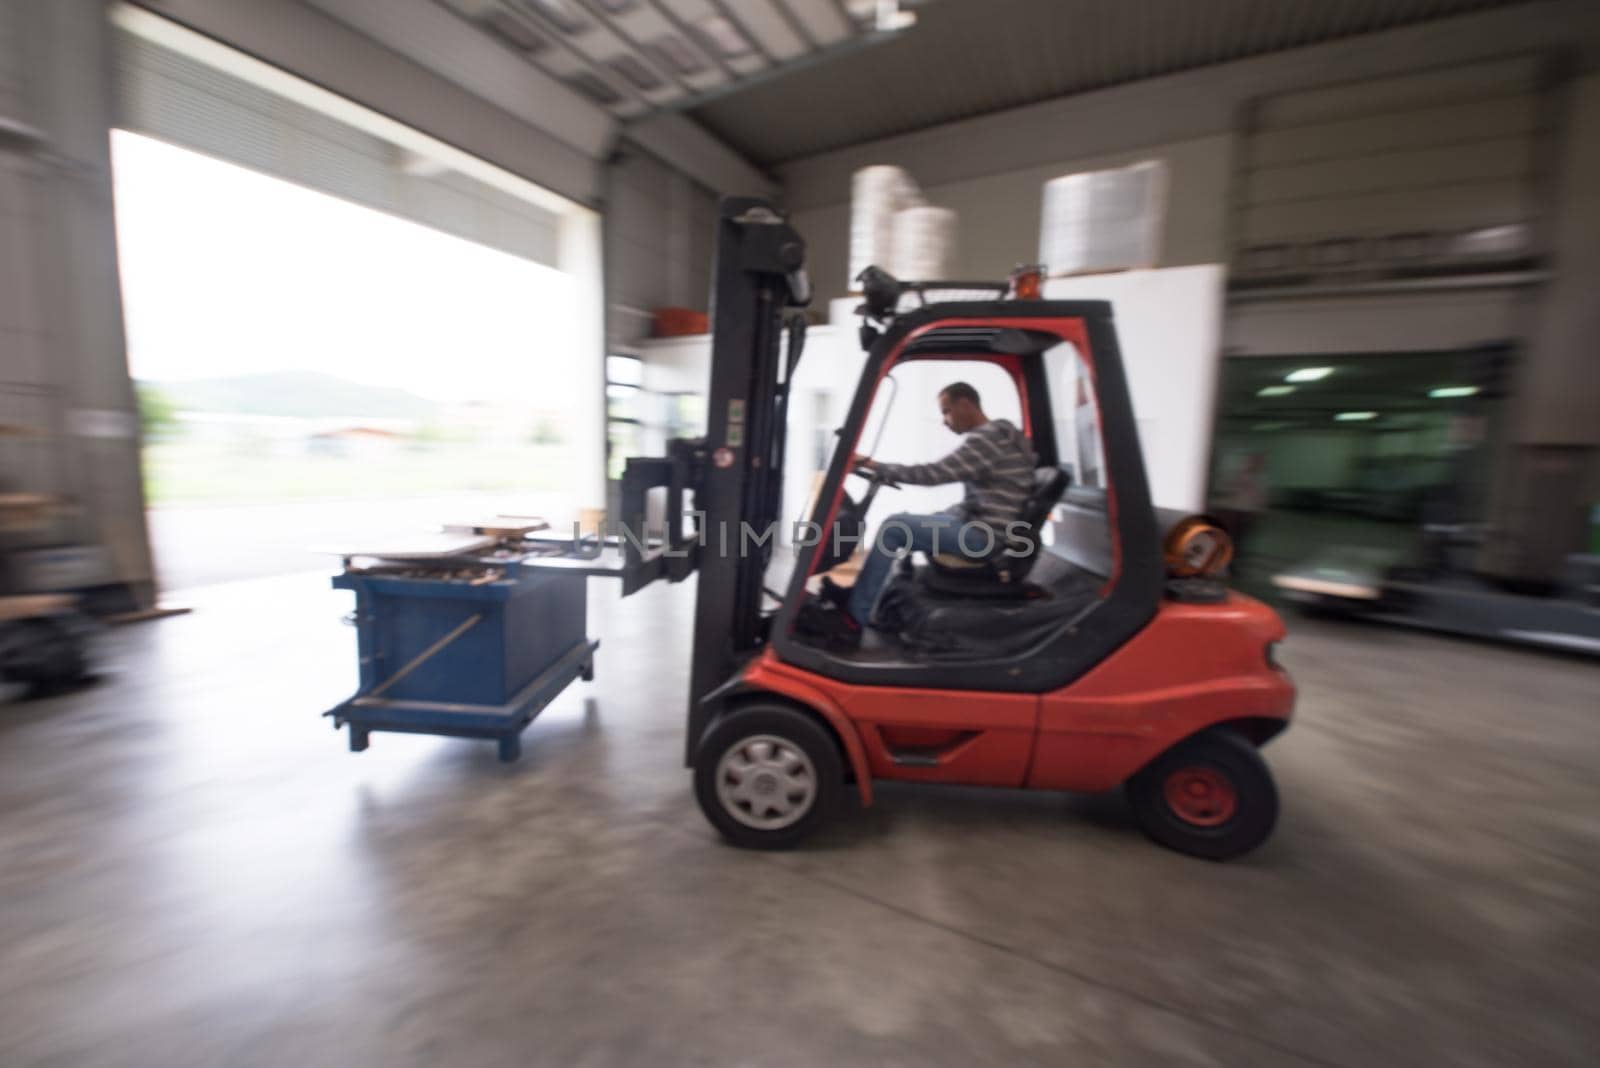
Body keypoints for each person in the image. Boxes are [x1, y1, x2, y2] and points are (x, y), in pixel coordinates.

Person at [840, 381, 1037, 626]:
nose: (945, 421)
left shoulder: (988, 438)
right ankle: (867, 596)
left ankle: (853, 617)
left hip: (983, 536)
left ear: (965, 405)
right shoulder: (999, 436)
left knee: (895, 528)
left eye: (946, 411)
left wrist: (873, 465)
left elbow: (934, 474)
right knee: (908, 520)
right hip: (981, 526)